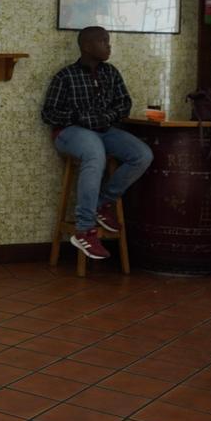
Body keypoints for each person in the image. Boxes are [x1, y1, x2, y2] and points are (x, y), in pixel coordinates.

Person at [41, 26, 153, 260]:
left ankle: (103, 202)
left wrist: (106, 118)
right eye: (104, 41)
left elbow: (124, 104)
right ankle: (84, 229)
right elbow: (48, 114)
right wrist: (80, 118)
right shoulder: (65, 76)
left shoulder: (111, 72)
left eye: (108, 41)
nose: (109, 46)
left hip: (105, 129)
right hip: (70, 133)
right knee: (95, 153)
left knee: (142, 155)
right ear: (86, 46)